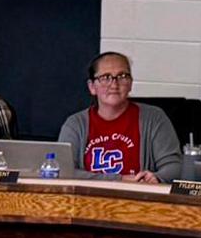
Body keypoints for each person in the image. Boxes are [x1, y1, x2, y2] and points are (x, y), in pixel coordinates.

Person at [59, 51, 181, 184]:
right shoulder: (75, 124)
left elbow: (174, 167)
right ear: (92, 86)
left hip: (139, 195)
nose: (114, 85)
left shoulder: (154, 118)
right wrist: (120, 180)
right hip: (87, 197)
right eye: (105, 77)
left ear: (130, 83)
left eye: (122, 76)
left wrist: (156, 178)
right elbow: (63, 171)